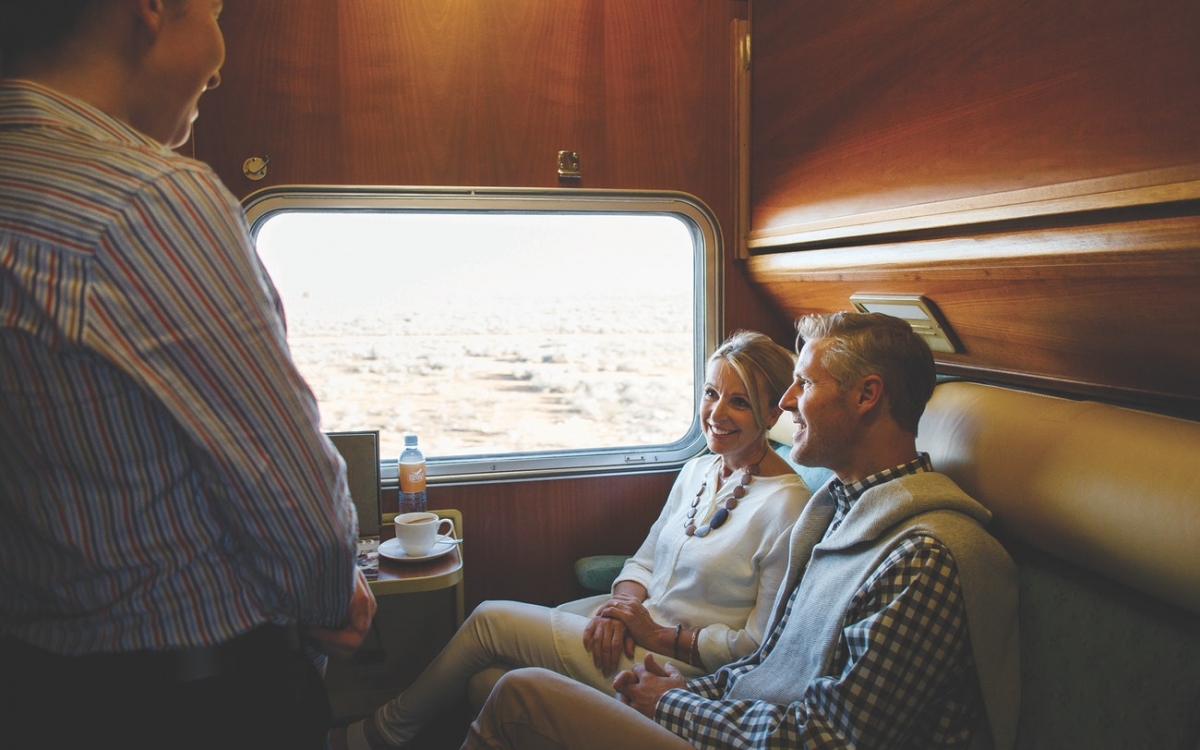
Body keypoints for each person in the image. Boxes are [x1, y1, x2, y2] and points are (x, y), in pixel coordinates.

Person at [0, 2, 376, 748]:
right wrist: (333, 594)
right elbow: (290, 487)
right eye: (212, 10)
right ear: (150, 10)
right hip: (200, 701)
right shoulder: (150, 201)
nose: (221, 55)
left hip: (37, 689)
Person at [461, 311, 1021, 750]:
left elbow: (828, 740)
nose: (785, 403)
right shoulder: (841, 511)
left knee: (518, 695)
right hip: (739, 718)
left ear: (866, 395)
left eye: (802, 384)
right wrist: (682, 690)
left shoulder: (924, 559)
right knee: (495, 687)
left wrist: (675, 704)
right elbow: (768, 667)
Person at [335, 330, 811, 750]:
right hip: (632, 624)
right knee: (486, 682)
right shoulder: (699, 469)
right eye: (711, 394)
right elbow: (645, 560)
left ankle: (378, 735)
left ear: (773, 412)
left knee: (489, 621)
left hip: (673, 667)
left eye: (740, 401)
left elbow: (756, 646)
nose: (717, 413)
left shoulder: (786, 506)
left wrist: (655, 634)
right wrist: (617, 611)